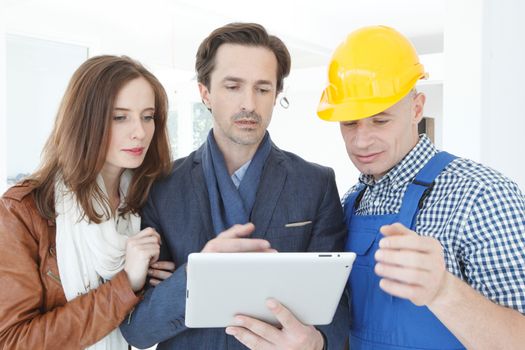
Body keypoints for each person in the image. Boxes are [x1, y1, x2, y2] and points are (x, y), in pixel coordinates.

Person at [120, 22, 348, 349]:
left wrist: (316, 342)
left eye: (263, 89)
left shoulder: (316, 183)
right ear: (205, 93)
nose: (249, 104)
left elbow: (338, 302)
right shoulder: (160, 186)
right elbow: (137, 330)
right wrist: (198, 274)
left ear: (276, 95)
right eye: (232, 86)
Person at [315, 25, 525, 349]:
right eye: (349, 123)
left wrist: (443, 290)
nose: (361, 140)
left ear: (416, 108)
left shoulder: (482, 196)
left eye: (380, 120)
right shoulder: (351, 202)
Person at [0, 55, 175, 349]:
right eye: (120, 117)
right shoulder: (23, 210)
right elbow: (13, 341)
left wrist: (155, 288)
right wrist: (126, 283)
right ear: (85, 120)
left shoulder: (150, 201)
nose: (140, 132)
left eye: (148, 116)